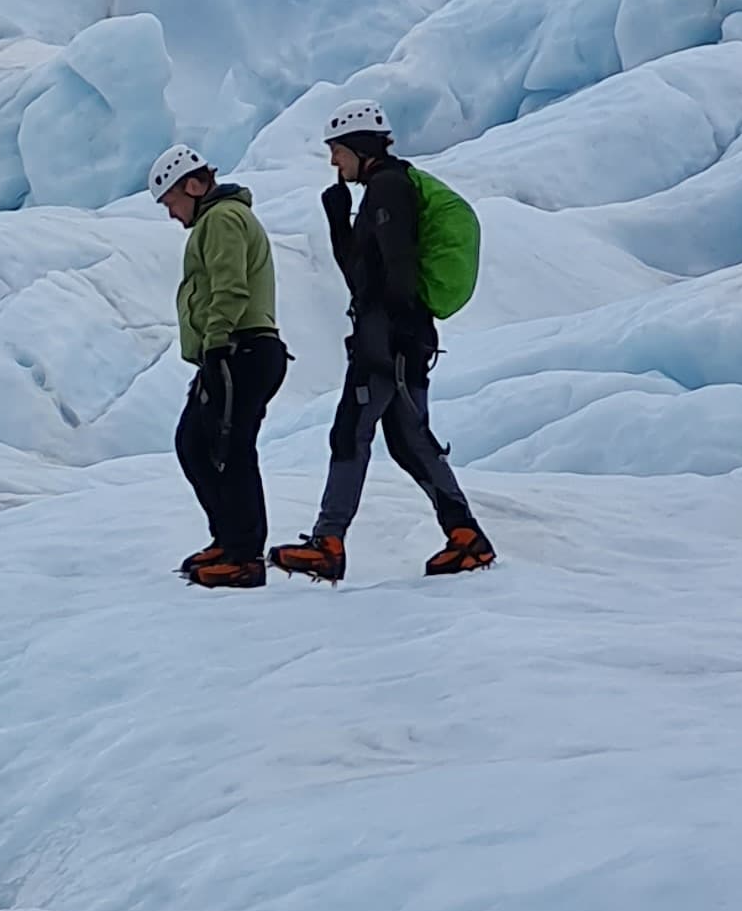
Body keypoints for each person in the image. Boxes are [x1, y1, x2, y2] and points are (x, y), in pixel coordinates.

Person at [270, 101, 497, 583]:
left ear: (358, 147)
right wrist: (338, 219)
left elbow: (391, 270)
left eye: (337, 152)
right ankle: (465, 536)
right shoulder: (384, 187)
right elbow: (362, 270)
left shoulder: (388, 188)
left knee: (352, 431)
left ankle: (328, 543)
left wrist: (388, 335)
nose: (334, 163)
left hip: (389, 336)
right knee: (410, 441)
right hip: (402, 334)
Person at [151, 143, 288, 587]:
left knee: (225, 449)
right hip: (238, 349)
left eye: (171, 201)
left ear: (193, 185)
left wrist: (214, 346)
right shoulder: (218, 219)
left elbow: (230, 286)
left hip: (238, 349)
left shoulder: (222, 219)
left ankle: (244, 556)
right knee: (200, 443)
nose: (171, 215)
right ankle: (230, 540)